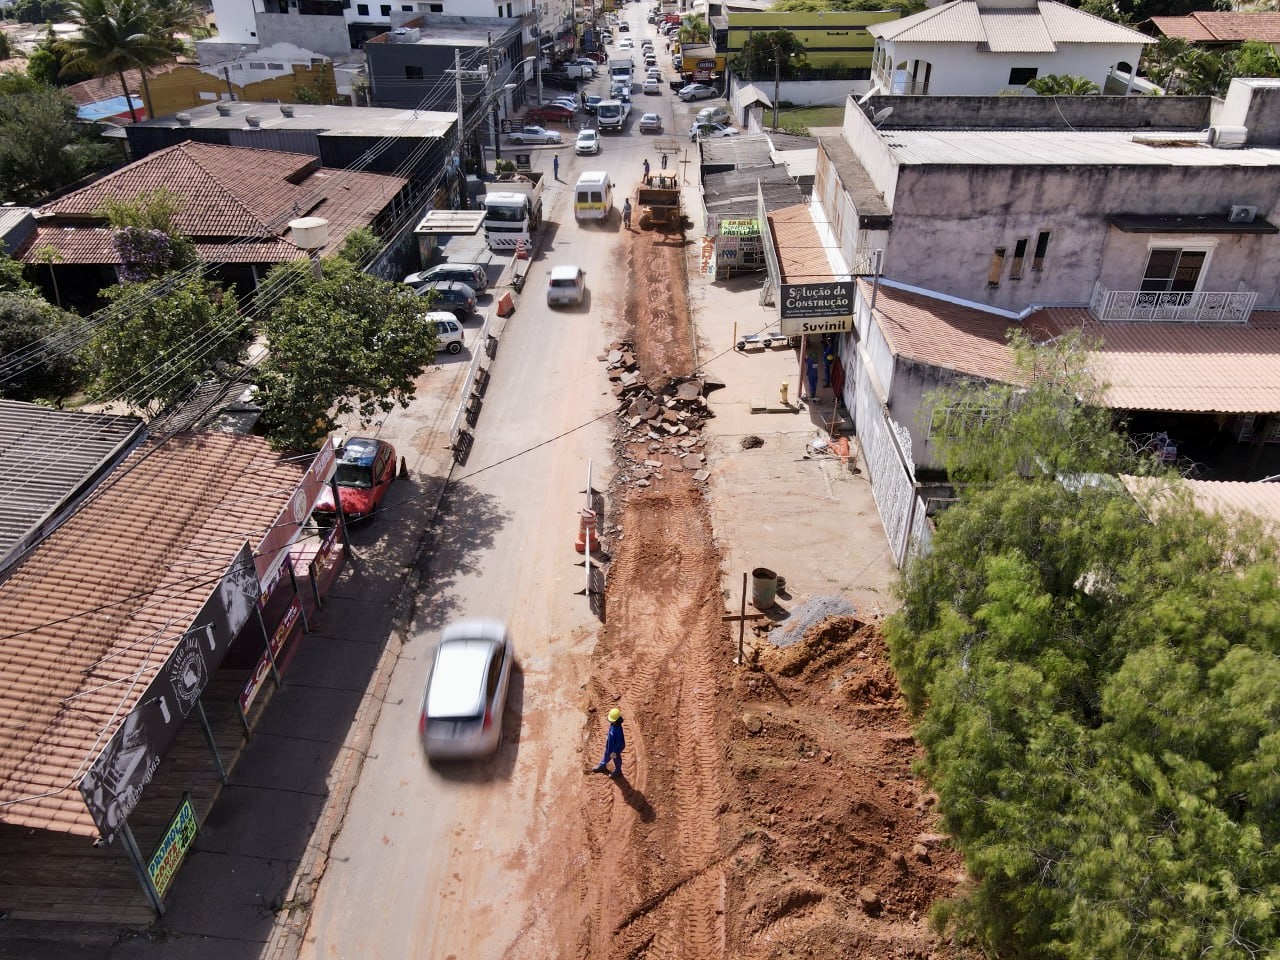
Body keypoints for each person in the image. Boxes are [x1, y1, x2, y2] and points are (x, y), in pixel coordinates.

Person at [594, 707, 625, 776]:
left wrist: (614, 752)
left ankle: (618, 771)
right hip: (609, 746)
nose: (610, 721)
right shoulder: (613, 724)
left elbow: (620, 744)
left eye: (612, 720)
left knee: (616, 759)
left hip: (614, 749)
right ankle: (602, 766)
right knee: (606, 755)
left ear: (616, 720)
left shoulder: (618, 731)